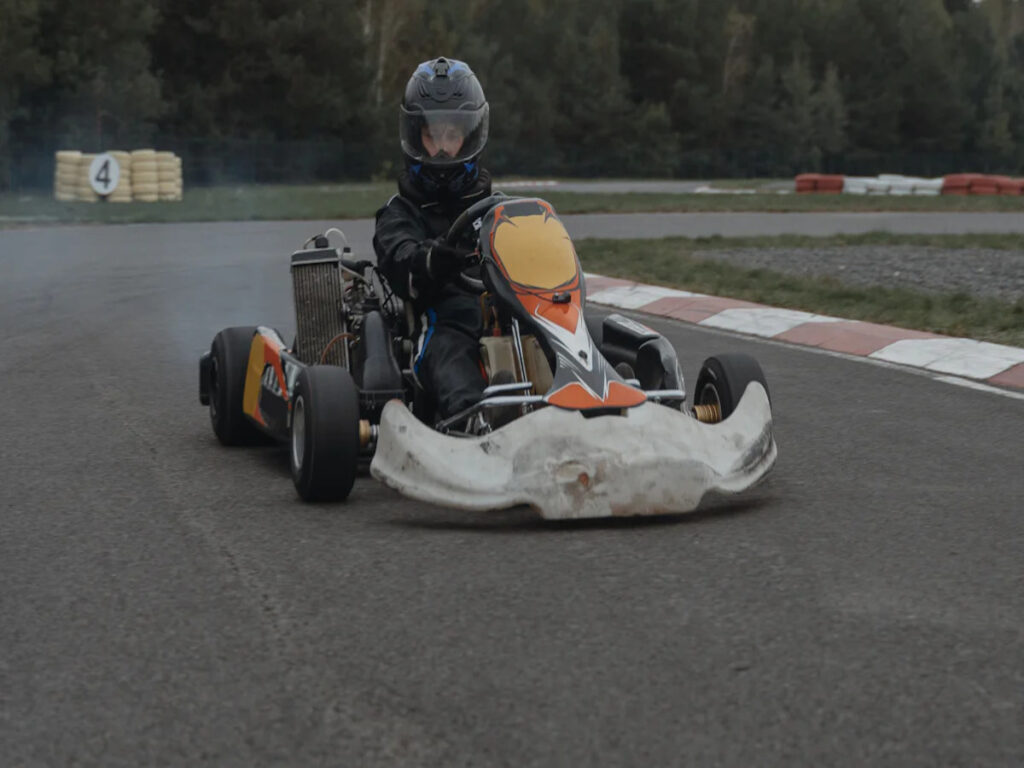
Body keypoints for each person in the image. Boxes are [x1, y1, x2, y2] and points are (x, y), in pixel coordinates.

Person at [373, 57, 494, 420]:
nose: (442, 149)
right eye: (432, 136)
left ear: (470, 136)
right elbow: (398, 257)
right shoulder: (400, 212)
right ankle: (474, 421)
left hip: (512, 312)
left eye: (452, 136)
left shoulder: (496, 207)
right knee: (450, 353)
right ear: (415, 137)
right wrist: (431, 260)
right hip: (443, 316)